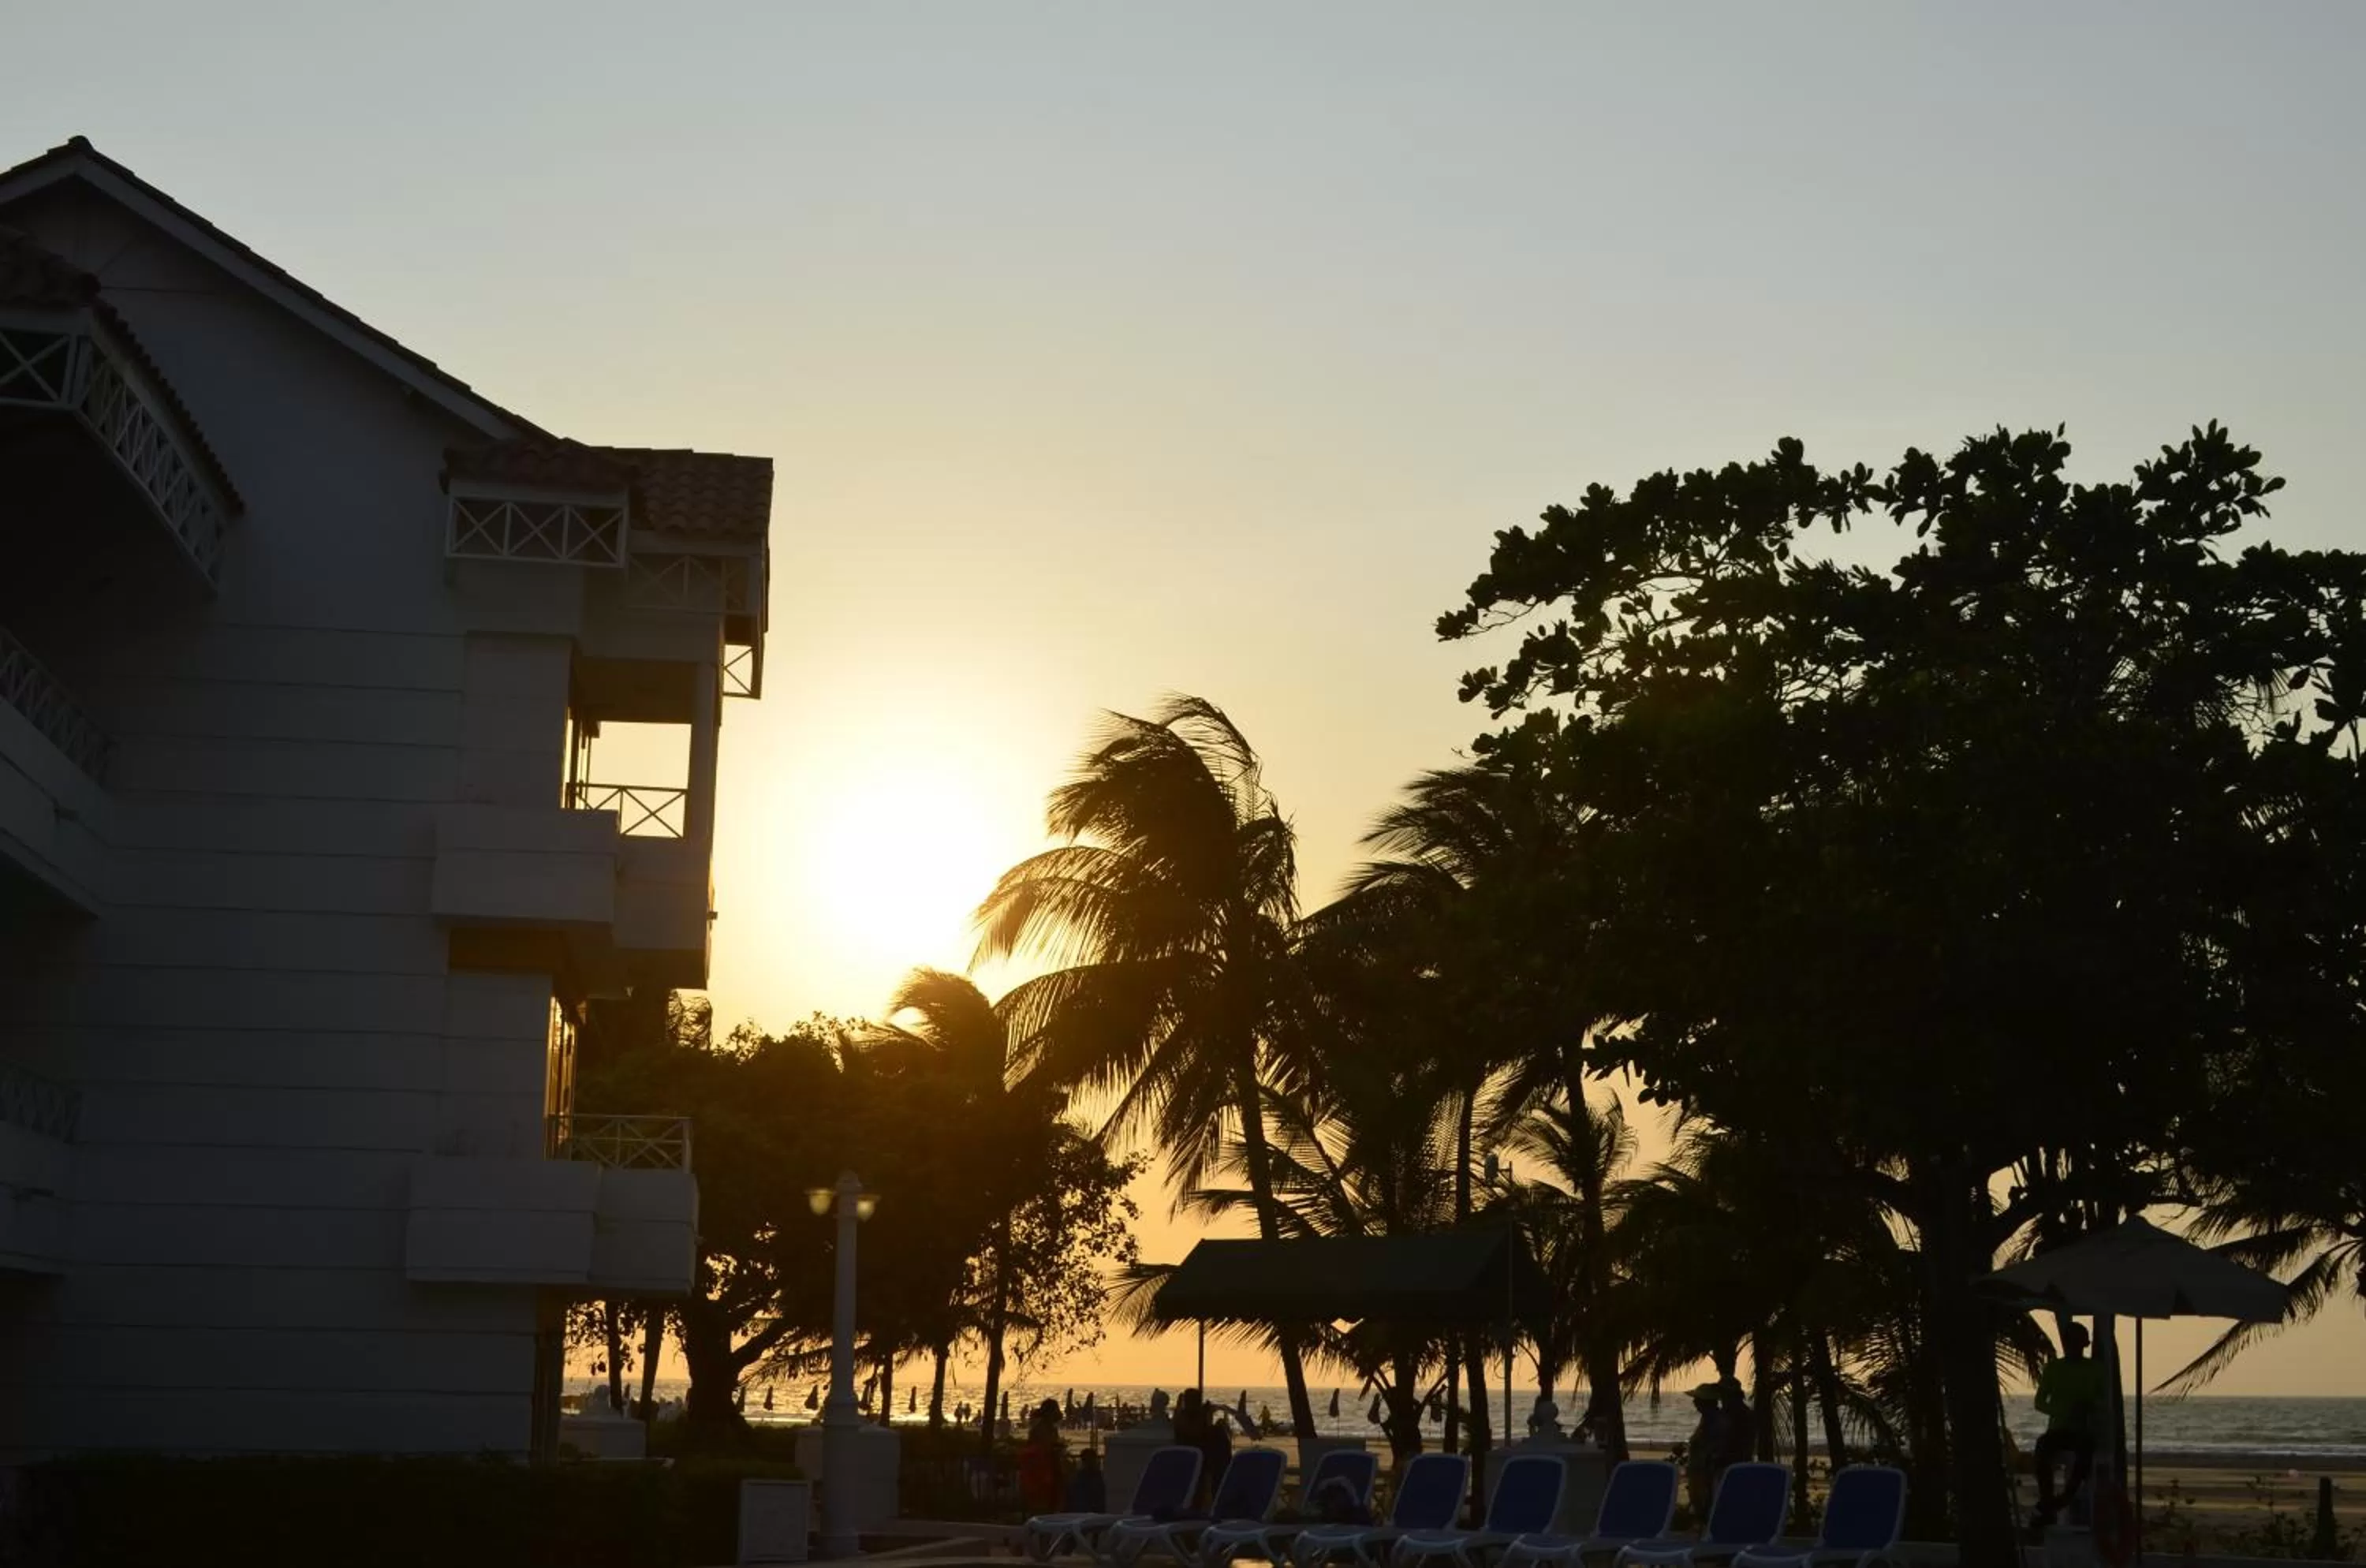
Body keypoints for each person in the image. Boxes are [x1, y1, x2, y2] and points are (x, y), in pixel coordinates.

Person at [2033, 1322, 2109, 1528]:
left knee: (2085, 1451)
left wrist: (2089, 1406)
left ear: (2085, 1344)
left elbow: (2105, 1401)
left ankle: (2066, 1496)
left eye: (2077, 1342)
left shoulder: (2095, 1369)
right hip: (2058, 1429)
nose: (2073, 1346)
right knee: (2042, 1449)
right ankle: (2048, 1499)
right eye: (2070, 1341)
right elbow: (2039, 1402)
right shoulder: (2054, 1368)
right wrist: (2062, 1411)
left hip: (2083, 1430)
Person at [1681, 1383, 1724, 1519]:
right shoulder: (1708, 1418)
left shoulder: (1715, 1421)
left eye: (1697, 1400)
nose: (1694, 1402)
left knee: (1705, 1505)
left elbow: (1713, 1448)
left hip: (1706, 1472)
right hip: (1699, 1470)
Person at [1019, 1398, 1068, 1514]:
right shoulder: (1040, 1429)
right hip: (1040, 1468)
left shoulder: (1050, 1429)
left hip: (1050, 1466)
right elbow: (1039, 1448)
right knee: (1042, 1502)